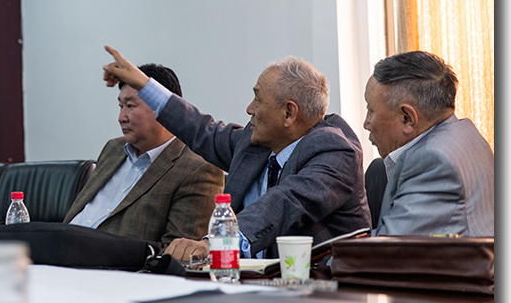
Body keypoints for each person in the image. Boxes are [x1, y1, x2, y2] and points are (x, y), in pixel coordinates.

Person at [102, 46, 370, 260]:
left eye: (258, 99)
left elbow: (284, 202)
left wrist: (218, 243)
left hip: (321, 292)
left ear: (289, 113)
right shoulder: (256, 143)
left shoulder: (335, 151)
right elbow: (200, 129)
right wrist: (143, 84)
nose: (249, 109)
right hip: (252, 286)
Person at [64, 62, 225, 249]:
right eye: (120, 106)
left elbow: (177, 253)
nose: (121, 117)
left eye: (130, 106)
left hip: (105, 264)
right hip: (57, 252)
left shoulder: (198, 169)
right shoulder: (113, 148)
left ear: (161, 107)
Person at [363, 51, 494, 237]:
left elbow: (392, 245)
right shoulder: (465, 134)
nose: (366, 123)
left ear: (407, 118)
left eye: (371, 111)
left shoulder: (433, 162)